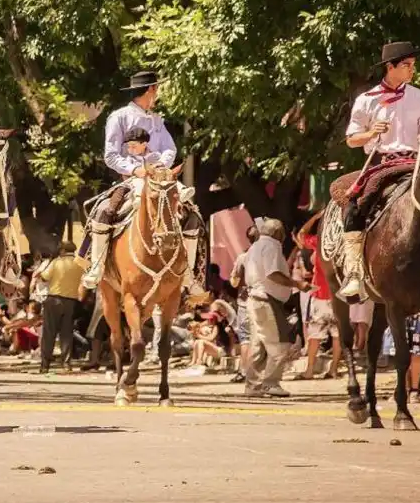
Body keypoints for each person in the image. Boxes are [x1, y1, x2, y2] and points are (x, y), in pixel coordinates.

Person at [81, 72, 203, 294]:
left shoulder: (157, 119)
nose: (157, 94)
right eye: (156, 89)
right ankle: (97, 267)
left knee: (192, 216)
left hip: (159, 179)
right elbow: (110, 156)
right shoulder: (118, 117)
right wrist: (136, 169)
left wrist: (159, 167)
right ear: (150, 90)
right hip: (132, 179)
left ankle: (189, 273)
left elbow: (170, 149)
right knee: (103, 211)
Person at [339, 42, 420, 301]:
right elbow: (351, 139)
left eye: (413, 65)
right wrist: (371, 133)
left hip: (415, 161)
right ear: (390, 67)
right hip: (381, 162)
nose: (412, 70)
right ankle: (354, 271)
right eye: (407, 65)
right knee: (355, 205)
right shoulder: (366, 100)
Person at [243, 218, 311, 397]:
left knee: (258, 347)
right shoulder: (272, 246)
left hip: (255, 299)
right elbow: (273, 274)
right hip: (267, 301)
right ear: (277, 234)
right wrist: (296, 284)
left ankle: (252, 385)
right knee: (279, 345)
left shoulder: (254, 247)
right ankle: (270, 383)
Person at [294, 214, 342, 380]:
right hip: (337, 296)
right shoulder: (341, 244)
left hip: (320, 294)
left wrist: (317, 216)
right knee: (337, 334)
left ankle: (310, 370)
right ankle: (334, 369)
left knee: (314, 335)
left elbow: (301, 234)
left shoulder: (319, 242)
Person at [39, 241, 85, 373]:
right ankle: (66, 364)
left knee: (49, 333)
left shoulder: (57, 262)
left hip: (54, 299)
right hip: (71, 301)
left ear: (62, 250)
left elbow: (44, 277)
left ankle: (45, 365)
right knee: (66, 334)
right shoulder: (80, 263)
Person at [228, 223, 259, 383]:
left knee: (245, 338)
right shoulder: (268, 255)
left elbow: (234, 282)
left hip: (245, 302)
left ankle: (244, 371)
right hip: (263, 301)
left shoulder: (243, 257)